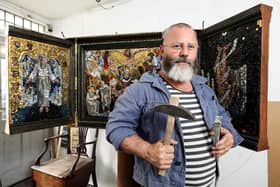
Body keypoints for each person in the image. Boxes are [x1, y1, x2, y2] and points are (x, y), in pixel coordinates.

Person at [106, 23, 243, 187]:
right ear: (162, 51)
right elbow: (116, 128)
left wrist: (229, 135)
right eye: (177, 46)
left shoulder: (205, 90)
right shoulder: (139, 91)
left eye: (190, 47)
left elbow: (222, 118)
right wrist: (148, 150)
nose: (185, 53)